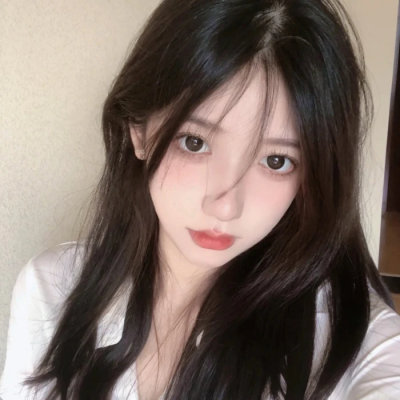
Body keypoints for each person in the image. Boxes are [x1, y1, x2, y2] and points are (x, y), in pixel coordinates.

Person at [1, 0, 400, 399]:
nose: (225, 206)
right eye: (195, 142)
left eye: (276, 160)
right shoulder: (52, 288)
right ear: (139, 130)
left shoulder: (356, 344)